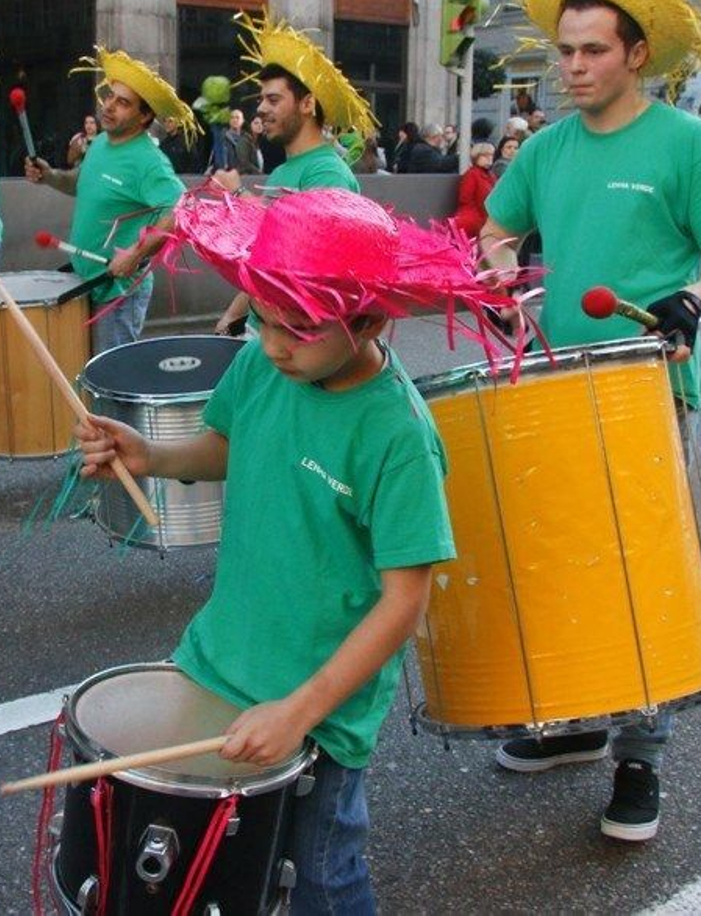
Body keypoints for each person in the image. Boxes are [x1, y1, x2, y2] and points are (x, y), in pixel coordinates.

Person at [77, 187, 512, 912]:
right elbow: (226, 443)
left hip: (318, 705)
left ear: (368, 317)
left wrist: (300, 709)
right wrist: (148, 453)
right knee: (223, 861)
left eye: (300, 328)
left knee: (320, 873)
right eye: (265, 317)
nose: (275, 341)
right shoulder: (261, 362)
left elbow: (405, 600)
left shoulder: (397, 435)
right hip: (222, 656)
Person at [479, 0, 701, 842]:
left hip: (647, 385)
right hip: (554, 386)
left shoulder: (686, 144)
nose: (575, 66)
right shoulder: (547, 150)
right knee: (559, 560)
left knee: (642, 574)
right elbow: (497, 232)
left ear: (637, 53)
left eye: (594, 50)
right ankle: (573, 726)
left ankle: (640, 760)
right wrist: (499, 276)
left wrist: (691, 297)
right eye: (565, 50)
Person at [209, 10, 378, 333]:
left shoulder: (328, 173)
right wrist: (233, 315)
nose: (260, 108)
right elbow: (265, 262)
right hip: (266, 331)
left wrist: (237, 194)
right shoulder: (281, 173)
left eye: (273, 99)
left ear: (307, 104)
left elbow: (303, 250)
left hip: (299, 340)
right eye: (261, 99)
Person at [25, 47, 191, 353]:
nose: (110, 106)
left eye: (123, 103)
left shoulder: (148, 161)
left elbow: (181, 209)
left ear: (144, 116)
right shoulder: (100, 143)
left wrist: (135, 253)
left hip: (118, 294)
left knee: (112, 388)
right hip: (83, 280)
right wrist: (50, 176)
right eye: (110, 96)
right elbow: (79, 183)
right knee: (83, 379)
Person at [454, 141, 496, 236]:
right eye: (485, 155)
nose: (489, 158)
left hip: (484, 220)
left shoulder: (491, 176)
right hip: (472, 222)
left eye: (491, 155)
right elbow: (465, 198)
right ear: (476, 157)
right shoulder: (471, 175)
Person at [224, 107, 260, 176]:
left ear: (242, 120)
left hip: (248, 177)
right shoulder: (222, 139)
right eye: (232, 117)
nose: (235, 120)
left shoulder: (248, 138)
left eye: (237, 117)